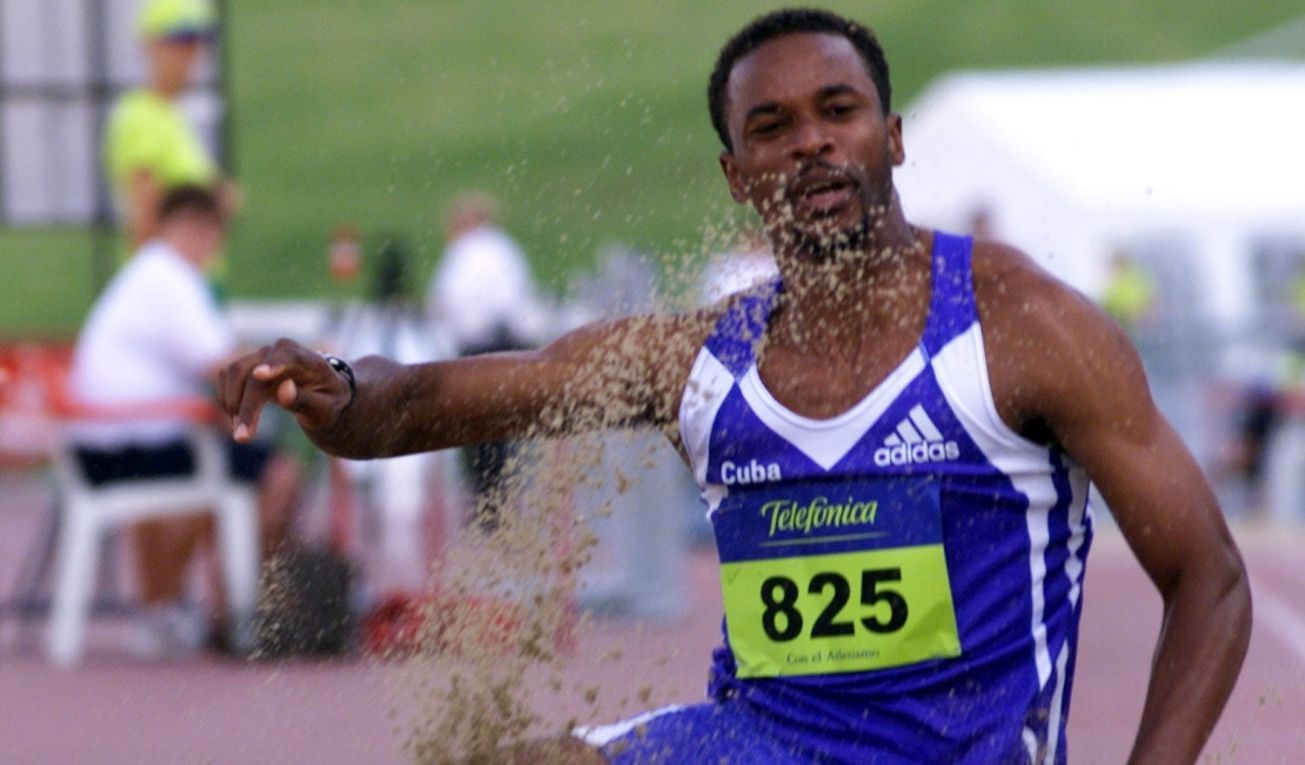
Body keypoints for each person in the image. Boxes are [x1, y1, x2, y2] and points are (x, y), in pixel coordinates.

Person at [219, 9, 1250, 763]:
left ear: (890, 138)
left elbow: (1210, 581)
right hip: (756, 744)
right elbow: (432, 403)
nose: (809, 141)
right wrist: (334, 389)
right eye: (772, 127)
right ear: (736, 175)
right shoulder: (695, 363)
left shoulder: (1021, 327)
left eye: (838, 111)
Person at [69, 185, 295, 657]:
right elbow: (225, 369)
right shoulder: (171, 280)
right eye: (213, 230)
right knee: (276, 476)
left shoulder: (147, 273)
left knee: (229, 460)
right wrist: (302, 371)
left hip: (99, 439)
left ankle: (187, 607)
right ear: (200, 229)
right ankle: (246, 614)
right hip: (132, 439)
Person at [426, 192, 547, 526]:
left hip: (477, 351)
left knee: (475, 428)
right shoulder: (506, 249)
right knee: (503, 428)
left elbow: (448, 304)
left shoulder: (464, 253)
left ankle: (486, 503)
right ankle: (502, 501)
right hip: (513, 348)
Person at [103, 0, 238, 251]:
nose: (190, 53)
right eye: (179, 40)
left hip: (189, 279)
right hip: (169, 280)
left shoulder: (173, 115)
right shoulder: (141, 115)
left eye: (197, 42)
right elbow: (145, 223)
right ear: (150, 44)